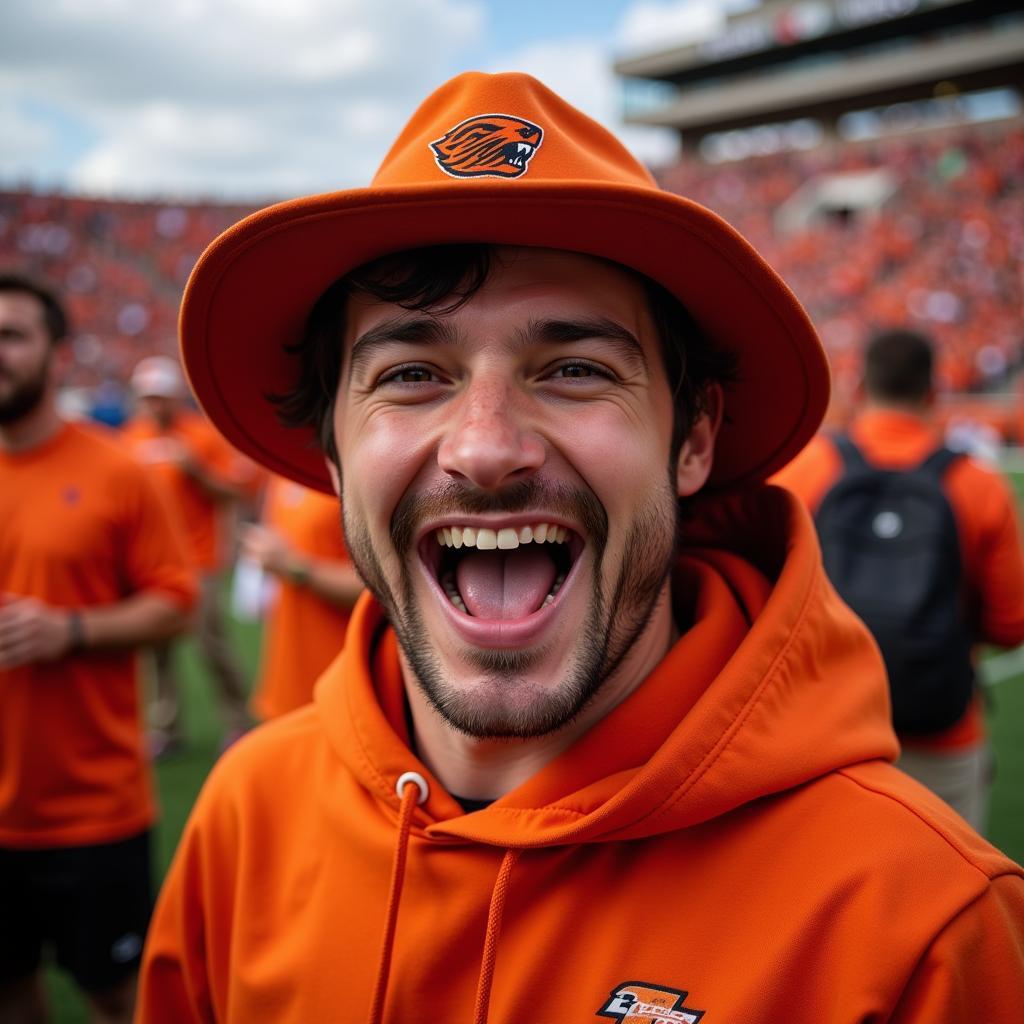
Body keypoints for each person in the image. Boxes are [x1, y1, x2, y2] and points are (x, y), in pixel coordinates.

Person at [137, 73, 1024, 1022]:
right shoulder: (246, 812)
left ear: (692, 440)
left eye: (573, 369)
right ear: (334, 455)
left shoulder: (921, 921)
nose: (484, 448)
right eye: (410, 374)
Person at [0, 273, 196, 1023]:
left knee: (117, 998)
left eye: (13, 335)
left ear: (58, 356)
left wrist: (70, 630)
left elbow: (176, 603)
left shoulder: (115, 468)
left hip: (94, 810)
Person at [773, 328, 1024, 832]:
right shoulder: (977, 484)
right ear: (933, 393)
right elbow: (1010, 624)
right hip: (942, 730)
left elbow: (764, 598)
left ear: (859, 388)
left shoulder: (806, 469)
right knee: (949, 896)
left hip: (827, 726)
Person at [123, 356, 254, 754]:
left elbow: (235, 492)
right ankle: (166, 729)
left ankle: (237, 720)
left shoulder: (201, 436)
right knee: (156, 652)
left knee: (211, 645)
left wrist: (196, 471)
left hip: (198, 558)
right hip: (150, 563)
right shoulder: (130, 439)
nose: (154, 405)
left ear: (176, 396)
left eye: (161, 396)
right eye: (147, 397)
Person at [239, 474, 362, 720]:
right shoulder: (280, 475)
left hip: (343, 681)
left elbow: (378, 585)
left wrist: (295, 567)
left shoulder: (350, 477)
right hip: (288, 672)